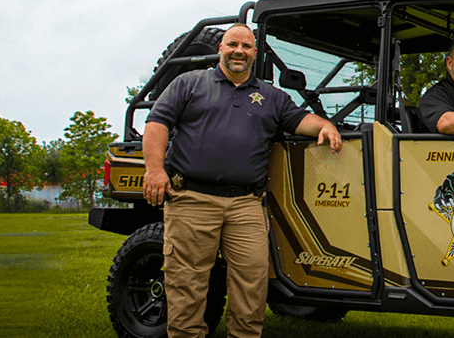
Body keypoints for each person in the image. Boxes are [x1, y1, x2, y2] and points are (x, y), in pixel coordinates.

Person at [142, 23, 343, 338]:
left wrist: (324, 126)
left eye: (247, 47)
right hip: (193, 199)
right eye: (233, 44)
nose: (239, 51)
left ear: (255, 52)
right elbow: (157, 122)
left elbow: (298, 119)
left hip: (246, 205)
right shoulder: (189, 84)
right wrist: (154, 169)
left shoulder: (270, 96)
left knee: (252, 284)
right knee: (187, 286)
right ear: (220, 48)